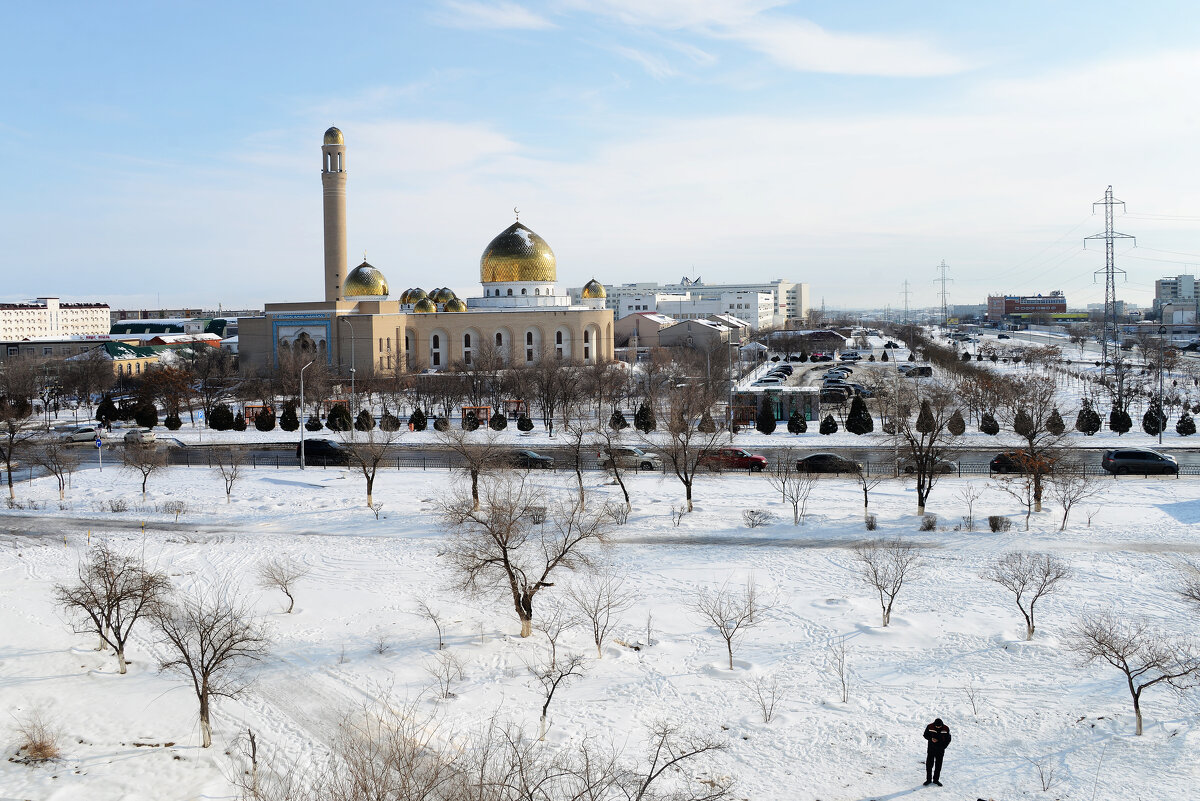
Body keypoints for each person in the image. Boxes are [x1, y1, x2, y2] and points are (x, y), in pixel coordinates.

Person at [923, 718, 951, 786]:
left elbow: (948, 739)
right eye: (936, 726)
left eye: (939, 726)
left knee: (938, 766)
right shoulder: (929, 726)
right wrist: (931, 739)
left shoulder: (946, 728)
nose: (938, 727)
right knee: (929, 765)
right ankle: (928, 780)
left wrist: (943, 747)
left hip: (940, 750)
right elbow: (925, 735)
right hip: (931, 749)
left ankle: (936, 780)